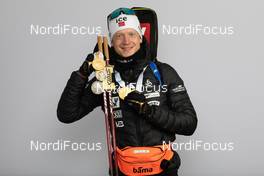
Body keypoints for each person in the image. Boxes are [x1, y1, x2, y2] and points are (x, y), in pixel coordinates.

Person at [57, 7, 197, 176]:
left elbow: (189, 124)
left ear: (140, 36)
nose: (126, 41)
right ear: (112, 42)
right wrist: (82, 73)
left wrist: (149, 111)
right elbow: (66, 114)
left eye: (131, 34)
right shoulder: (106, 79)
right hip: (123, 170)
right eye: (119, 35)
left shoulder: (162, 72)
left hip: (163, 169)